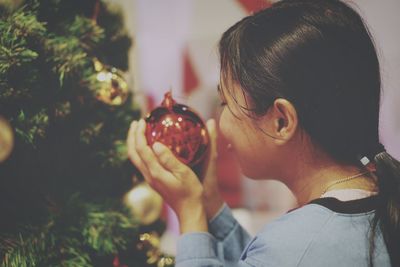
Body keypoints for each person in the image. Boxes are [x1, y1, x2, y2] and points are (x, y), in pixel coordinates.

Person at [127, 0, 400, 266]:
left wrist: (189, 212)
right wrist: (209, 203)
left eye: (225, 103)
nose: (219, 124)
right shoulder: (379, 202)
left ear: (281, 121)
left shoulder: (294, 244)